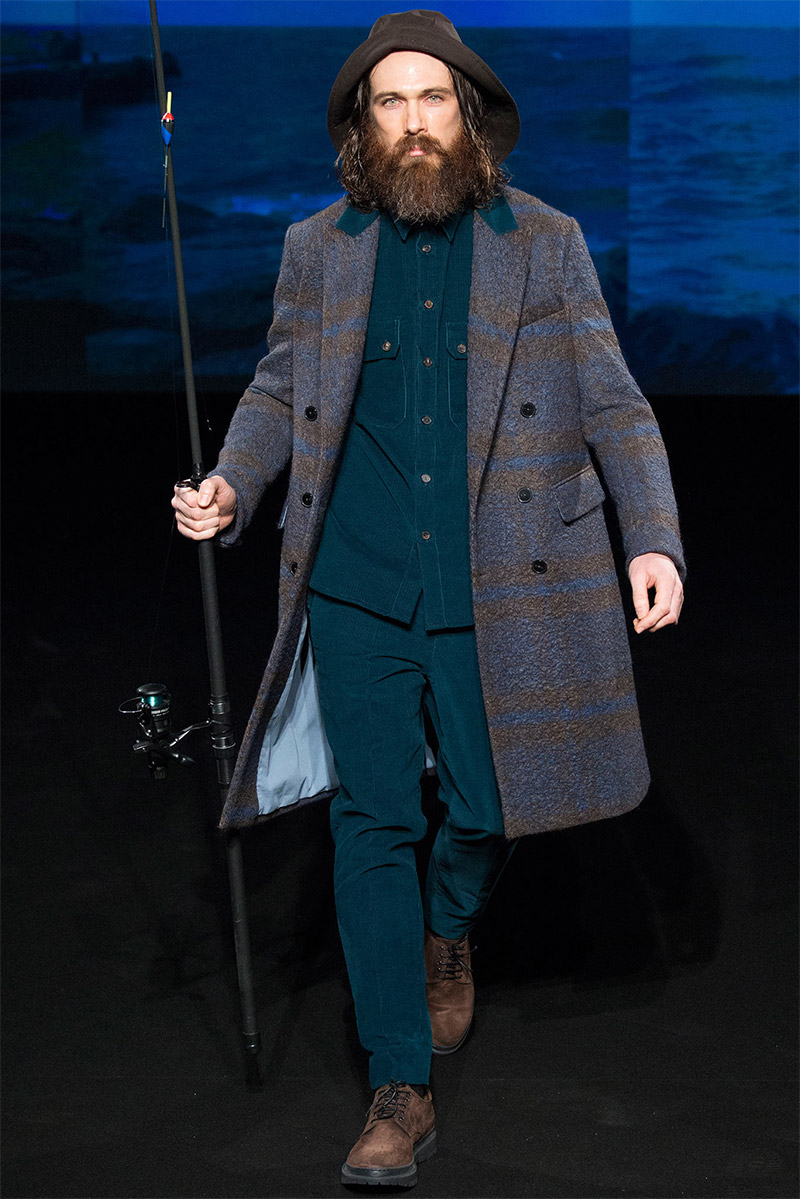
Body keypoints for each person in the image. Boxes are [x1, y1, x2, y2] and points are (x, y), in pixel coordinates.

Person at [172, 9, 684, 1188]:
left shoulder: (541, 241)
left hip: (499, 579)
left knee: (487, 805)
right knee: (369, 822)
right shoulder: (318, 245)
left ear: (469, 115)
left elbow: (611, 399)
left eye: (431, 98)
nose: (412, 122)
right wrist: (232, 482)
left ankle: (447, 926)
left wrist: (651, 535)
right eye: (388, 101)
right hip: (353, 578)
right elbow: (279, 386)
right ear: (362, 125)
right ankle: (398, 1088)